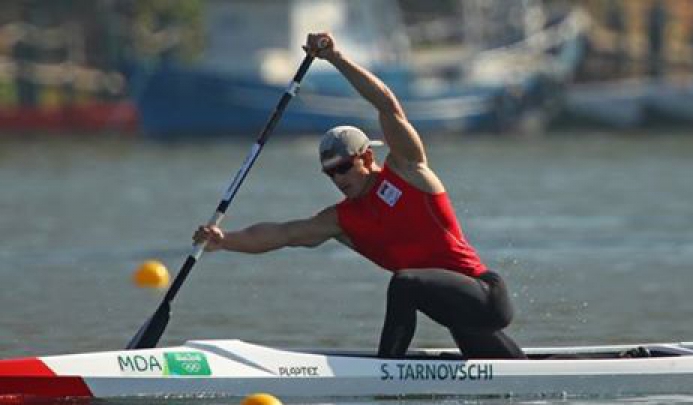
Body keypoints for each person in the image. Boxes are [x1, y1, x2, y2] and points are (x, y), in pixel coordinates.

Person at [193, 33, 526, 359]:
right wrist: (224, 241)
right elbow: (283, 234)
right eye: (330, 173)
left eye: (344, 167)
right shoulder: (341, 220)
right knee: (512, 373)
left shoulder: (408, 170)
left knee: (404, 282)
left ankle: (386, 372)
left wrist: (335, 58)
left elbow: (388, 107)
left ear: (367, 157)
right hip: (456, 313)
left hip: (485, 296)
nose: (338, 178)